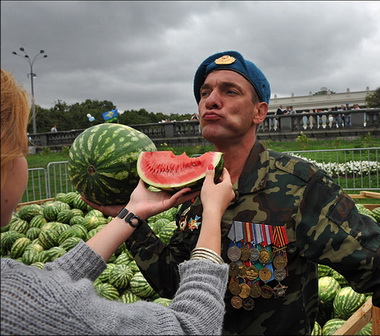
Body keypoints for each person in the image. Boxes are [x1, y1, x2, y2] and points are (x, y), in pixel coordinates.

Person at [111, 51, 380, 335]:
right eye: (204, 92)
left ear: (259, 112)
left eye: (230, 91)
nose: (211, 100)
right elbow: (178, 282)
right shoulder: (193, 192)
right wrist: (130, 222)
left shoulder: (299, 185)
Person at [0, 69, 234, 335]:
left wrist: (131, 213)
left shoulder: (9, 280)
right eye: (21, 148)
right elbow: (192, 328)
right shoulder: (29, 310)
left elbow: (46, 283)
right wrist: (213, 212)